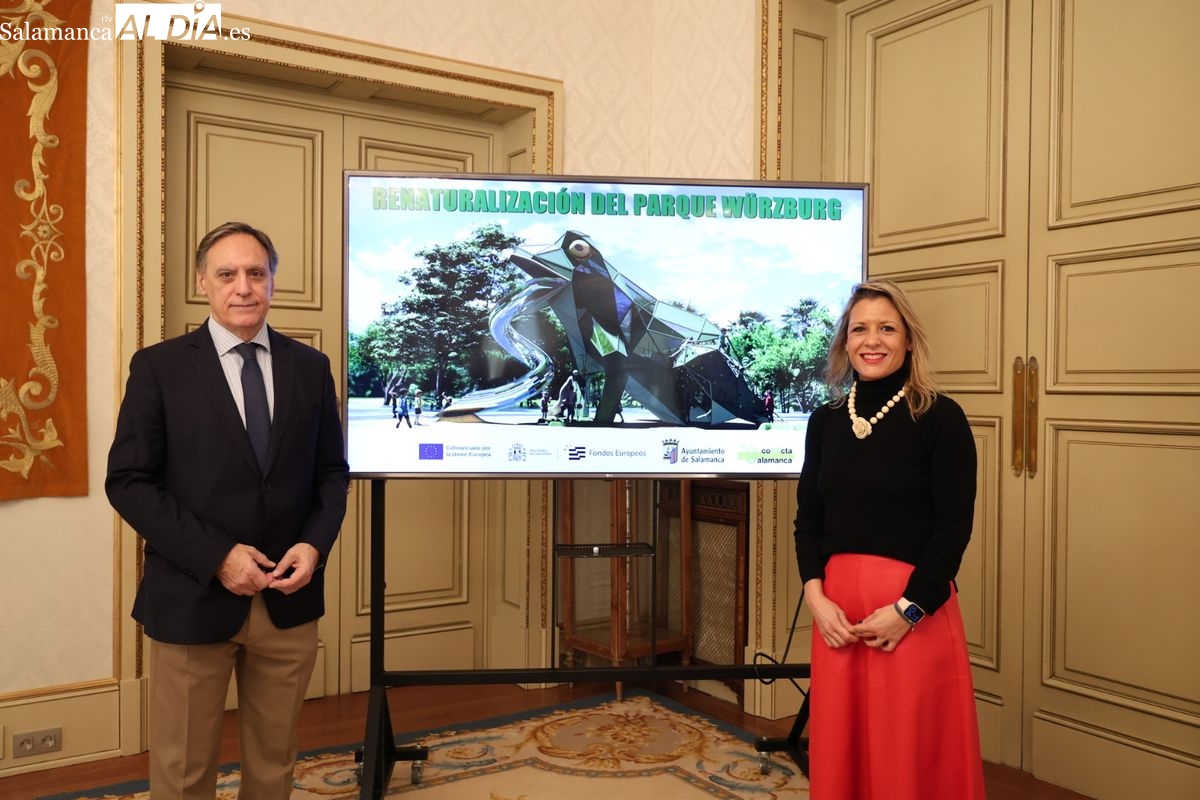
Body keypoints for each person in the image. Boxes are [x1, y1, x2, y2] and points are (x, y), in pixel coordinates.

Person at [105, 221, 349, 800]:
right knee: (184, 770)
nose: (244, 287)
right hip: (193, 598)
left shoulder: (309, 367)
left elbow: (330, 474)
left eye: (256, 273)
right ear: (202, 283)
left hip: (288, 601)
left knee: (274, 763)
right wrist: (216, 556)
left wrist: (313, 545)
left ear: (272, 281)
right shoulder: (159, 367)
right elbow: (129, 482)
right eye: (227, 274)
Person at [792, 278, 984, 799]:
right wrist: (816, 597)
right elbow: (808, 520)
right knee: (843, 754)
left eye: (886, 328)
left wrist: (908, 611)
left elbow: (953, 528)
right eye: (859, 329)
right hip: (838, 618)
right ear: (844, 342)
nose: (871, 340)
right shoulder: (824, 421)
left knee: (909, 763)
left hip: (913, 612)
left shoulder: (940, 418)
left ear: (908, 340)